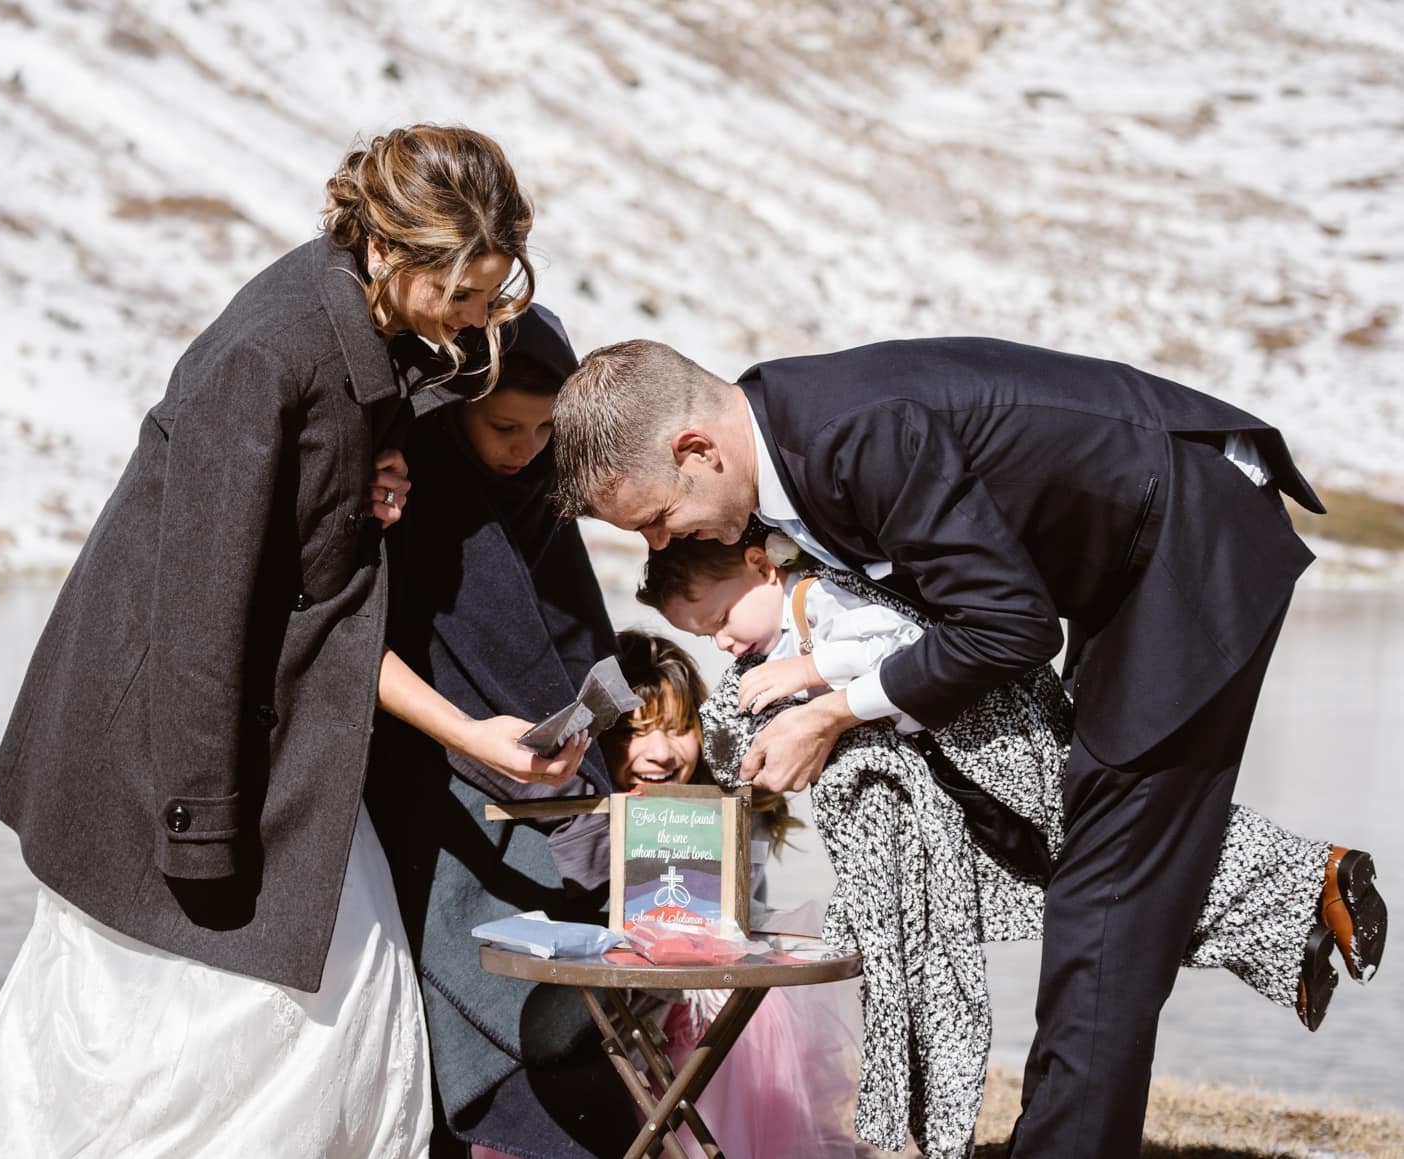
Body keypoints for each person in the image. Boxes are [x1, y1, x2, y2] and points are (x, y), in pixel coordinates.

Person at [549, 336, 1389, 1157]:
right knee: (1096, 866)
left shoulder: (852, 439)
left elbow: (1010, 625)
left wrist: (834, 711)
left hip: (1188, 535)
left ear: (695, 450)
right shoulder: (786, 438)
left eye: (658, 520)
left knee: (1108, 893)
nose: (665, 544)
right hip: (1121, 561)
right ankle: (1288, 902)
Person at [0, 126, 588, 1159]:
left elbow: (312, 565)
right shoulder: (269, 353)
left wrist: (384, 463)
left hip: (276, 746)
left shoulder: (364, 336)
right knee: (185, 1038)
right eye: (461, 296)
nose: (473, 325)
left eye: (488, 296)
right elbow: (199, 609)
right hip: (179, 760)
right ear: (388, 251)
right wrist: (199, 827)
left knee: (337, 1010)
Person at [635, 531, 1383, 1033]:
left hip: (1004, 750)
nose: (724, 639)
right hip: (964, 787)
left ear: (764, 566)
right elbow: (739, 743)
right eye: (706, 636)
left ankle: (1310, 876)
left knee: (1120, 853)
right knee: (1089, 883)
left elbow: (901, 640)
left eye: (723, 615)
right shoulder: (773, 641)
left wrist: (807, 675)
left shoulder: (823, 596)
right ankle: (1290, 940)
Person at [367, 305, 638, 1159]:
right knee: (477, 981)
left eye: (545, 428)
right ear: (453, 409)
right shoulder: (412, 489)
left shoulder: (539, 499)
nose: (523, 447)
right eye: (502, 425)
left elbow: (572, 641)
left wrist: (592, 737)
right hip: (422, 775)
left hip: (550, 783)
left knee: (568, 971)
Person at [604, 630, 878, 1159]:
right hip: (612, 1013)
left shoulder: (728, 806)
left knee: (756, 1002)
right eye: (636, 732)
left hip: (698, 1011)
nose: (660, 753)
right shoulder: (573, 815)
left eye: (678, 729)